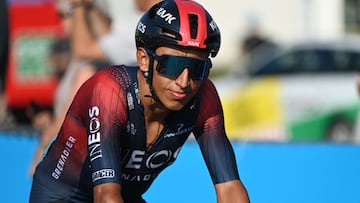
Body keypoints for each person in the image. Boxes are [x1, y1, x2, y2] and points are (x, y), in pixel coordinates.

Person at [30, 0, 250, 202]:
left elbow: (229, 187)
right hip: (63, 196)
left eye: (196, 69)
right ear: (144, 60)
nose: (184, 82)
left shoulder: (204, 95)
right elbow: (105, 195)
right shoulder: (109, 90)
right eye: (172, 66)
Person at [28, 0, 111, 176]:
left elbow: (66, 123)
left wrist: (42, 149)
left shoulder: (87, 70)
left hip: (75, 164)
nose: (61, 21)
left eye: (64, 14)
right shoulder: (78, 65)